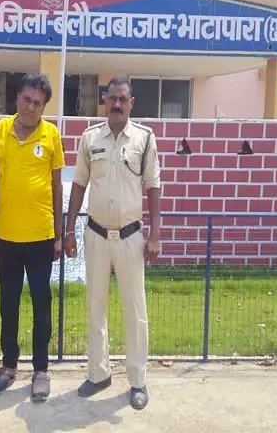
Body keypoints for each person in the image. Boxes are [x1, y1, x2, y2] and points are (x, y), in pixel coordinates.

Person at [64, 76, 161, 410]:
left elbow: (153, 186)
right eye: (112, 99)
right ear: (104, 101)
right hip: (96, 235)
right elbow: (79, 184)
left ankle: (138, 380)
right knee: (95, 306)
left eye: (123, 99)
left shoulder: (145, 138)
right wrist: (68, 230)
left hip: (131, 237)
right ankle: (98, 373)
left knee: (135, 309)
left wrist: (155, 234)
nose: (117, 104)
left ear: (131, 103)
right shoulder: (90, 138)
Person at [0, 73, 64, 402]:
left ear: (44, 107)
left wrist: (58, 235)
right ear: (17, 98)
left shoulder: (51, 134)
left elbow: (57, 187)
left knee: (42, 305)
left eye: (38, 103)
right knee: (8, 304)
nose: (31, 107)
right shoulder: (1, 129)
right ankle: (8, 366)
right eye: (27, 100)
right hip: (6, 237)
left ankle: (41, 370)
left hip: (41, 237)